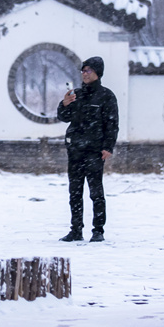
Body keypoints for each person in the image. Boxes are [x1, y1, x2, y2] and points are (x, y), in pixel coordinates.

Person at [57, 56, 119, 243]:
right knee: (75, 192)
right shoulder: (76, 94)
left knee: (96, 192)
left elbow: (112, 123)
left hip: (94, 151)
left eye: (88, 70)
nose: (84, 74)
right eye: (83, 71)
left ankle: (98, 230)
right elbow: (63, 117)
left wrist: (108, 146)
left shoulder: (106, 96)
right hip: (75, 149)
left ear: (98, 73)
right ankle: (76, 230)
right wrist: (64, 104)